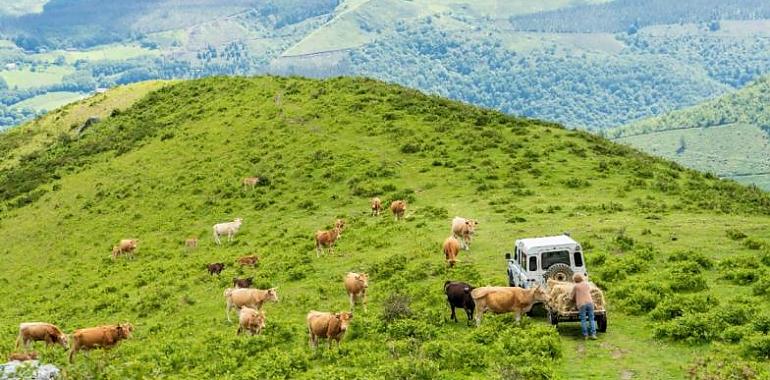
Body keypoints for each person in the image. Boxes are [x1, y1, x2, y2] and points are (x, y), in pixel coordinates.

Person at [571, 273, 597, 340]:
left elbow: (571, 297)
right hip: (590, 303)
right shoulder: (586, 284)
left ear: (575, 280)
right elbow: (589, 291)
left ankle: (586, 335)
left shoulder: (576, 286)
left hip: (581, 304)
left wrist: (573, 299)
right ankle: (593, 334)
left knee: (583, 320)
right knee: (591, 319)